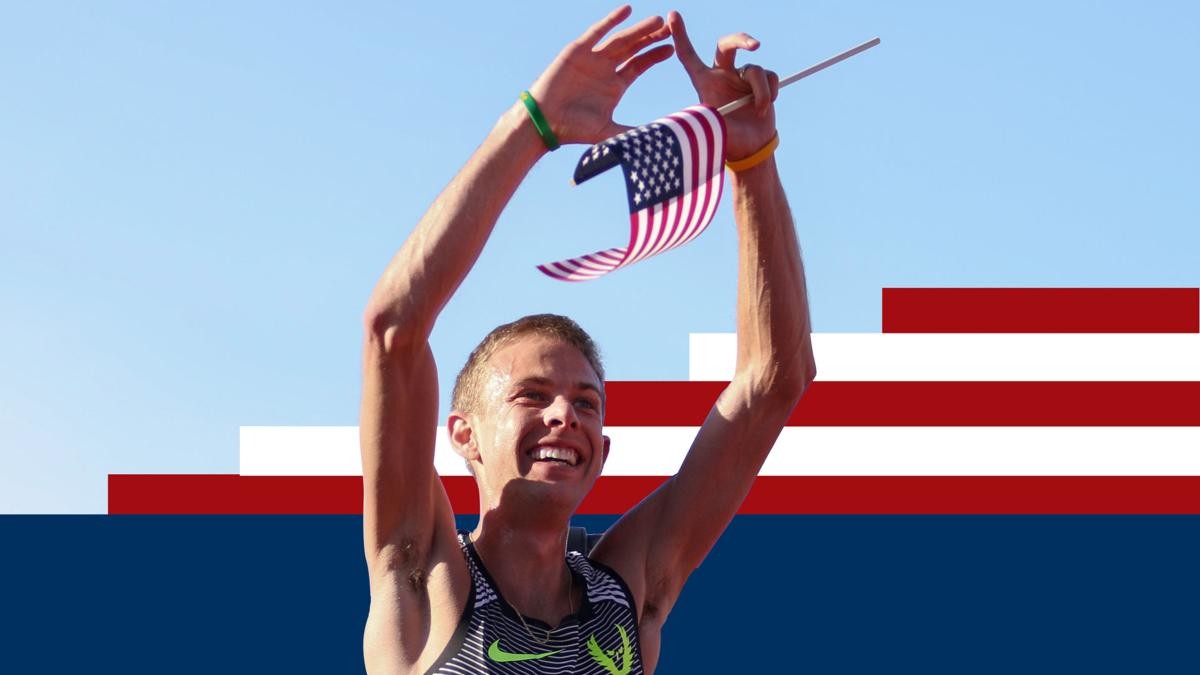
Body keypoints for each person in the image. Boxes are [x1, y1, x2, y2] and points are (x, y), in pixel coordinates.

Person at [359, 6, 815, 673]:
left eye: (586, 402)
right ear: (463, 435)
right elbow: (394, 329)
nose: (564, 415)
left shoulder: (626, 596)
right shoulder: (422, 575)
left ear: (601, 452)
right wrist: (532, 126)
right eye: (532, 394)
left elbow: (774, 380)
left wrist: (751, 158)